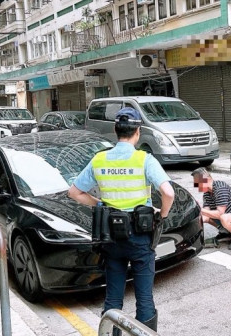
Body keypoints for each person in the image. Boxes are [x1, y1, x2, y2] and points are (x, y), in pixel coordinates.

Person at [68, 107, 174, 332]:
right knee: (144, 299)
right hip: (140, 237)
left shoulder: (99, 160)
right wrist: (161, 215)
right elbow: (169, 193)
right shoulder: (143, 159)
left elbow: (74, 192)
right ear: (137, 132)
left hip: (111, 238)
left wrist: (100, 204)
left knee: (113, 298)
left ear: (116, 131)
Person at [192, 167, 231, 250]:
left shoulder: (220, 188)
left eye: (197, 183)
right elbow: (205, 216)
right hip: (227, 218)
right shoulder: (207, 194)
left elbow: (220, 213)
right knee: (208, 217)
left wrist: (200, 209)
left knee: (223, 217)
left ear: (206, 180)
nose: (196, 186)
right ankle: (226, 233)